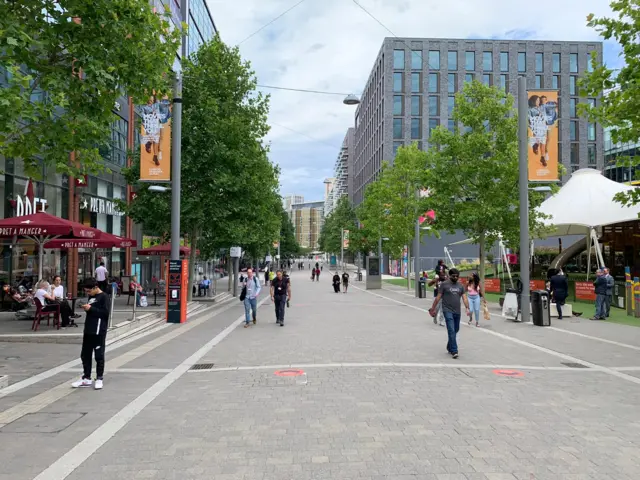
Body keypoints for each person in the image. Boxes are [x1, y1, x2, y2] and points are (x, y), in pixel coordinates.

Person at [71, 278, 109, 390]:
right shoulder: (91, 297)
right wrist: (87, 309)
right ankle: (86, 377)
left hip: (98, 330)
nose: (88, 293)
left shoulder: (104, 297)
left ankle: (99, 378)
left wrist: (91, 309)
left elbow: (105, 313)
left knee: (99, 355)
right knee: (85, 354)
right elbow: (92, 309)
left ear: (95, 288)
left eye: (89, 291)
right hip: (88, 329)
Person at [429, 268, 469, 359]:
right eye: (453, 276)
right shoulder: (444, 285)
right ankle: (454, 350)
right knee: (451, 330)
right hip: (447, 310)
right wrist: (433, 308)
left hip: (457, 311)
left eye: (457, 276)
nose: (455, 277)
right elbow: (438, 297)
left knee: (456, 330)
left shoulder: (460, 286)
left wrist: (467, 308)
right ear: (449, 276)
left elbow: (465, 298)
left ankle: (449, 346)